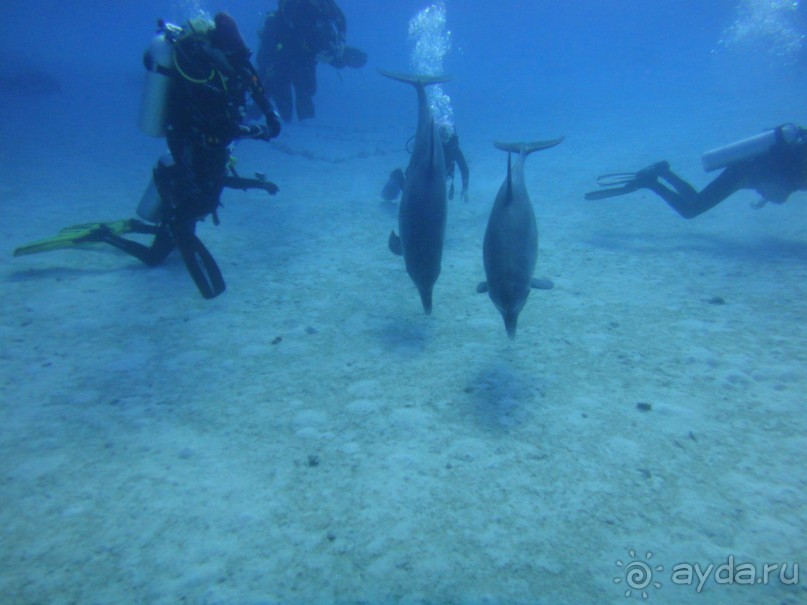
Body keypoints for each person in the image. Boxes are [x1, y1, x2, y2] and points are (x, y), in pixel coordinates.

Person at [13, 13, 282, 299]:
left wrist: (259, 183)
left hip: (189, 178)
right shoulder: (198, 76)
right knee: (157, 254)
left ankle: (148, 226)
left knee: (191, 211)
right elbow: (218, 140)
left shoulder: (221, 76)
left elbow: (219, 176)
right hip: (180, 183)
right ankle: (104, 235)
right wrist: (255, 143)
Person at [585, 123, 807, 218]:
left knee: (696, 200)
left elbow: (785, 177)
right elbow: (785, 180)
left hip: (748, 170)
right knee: (691, 211)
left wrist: (768, 196)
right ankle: (651, 181)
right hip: (746, 172)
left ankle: (663, 171)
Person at [256, 0, 367, 122]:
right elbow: (296, 36)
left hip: (306, 58)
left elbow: (340, 19)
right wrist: (325, 56)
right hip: (283, 58)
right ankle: (252, 117)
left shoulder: (326, 5)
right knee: (280, 98)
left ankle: (302, 125)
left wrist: (340, 43)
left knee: (307, 92)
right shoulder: (293, 6)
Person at [381, 124, 470, 203]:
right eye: (441, 134)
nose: (443, 137)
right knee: (413, 198)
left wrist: (465, 188)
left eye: (446, 135)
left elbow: (464, 168)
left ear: (450, 136)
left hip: (437, 180)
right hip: (422, 179)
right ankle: (397, 177)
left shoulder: (454, 149)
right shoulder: (429, 145)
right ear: (437, 135)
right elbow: (414, 164)